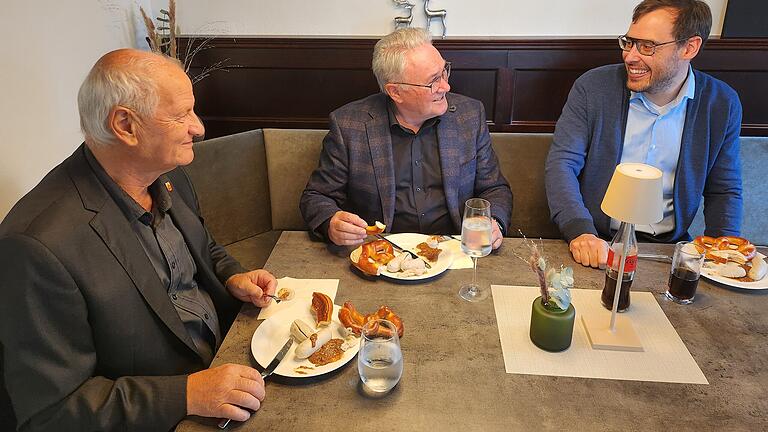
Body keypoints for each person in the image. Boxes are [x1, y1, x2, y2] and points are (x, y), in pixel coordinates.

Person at [0, 49, 277, 431]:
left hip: (230, 360)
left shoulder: (166, 174)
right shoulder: (36, 246)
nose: (198, 128)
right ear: (126, 126)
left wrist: (232, 276)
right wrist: (188, 393)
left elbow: (204, 248)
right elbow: (52, 412)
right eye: (181, 115)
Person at [545, 0, 742, 268]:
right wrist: (580, 231)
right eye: (629, 42)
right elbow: (562, 164)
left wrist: (725, 253)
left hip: (669, 251)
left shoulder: (721, 103)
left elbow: (724, 189)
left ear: (690, 47)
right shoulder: (593, 88)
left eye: (647, 46)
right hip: (597, 241)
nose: (630, 56)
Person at [300, 28, 512, 249]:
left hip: (453, 251)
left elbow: (495, 188)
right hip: (381, 254)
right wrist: (330, 222)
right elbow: (316, 196)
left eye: (444, 71)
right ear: (395, 92)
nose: (446, 86)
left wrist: (493, 221)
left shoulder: (469, 115)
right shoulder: (349, 125)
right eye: (433, 81)